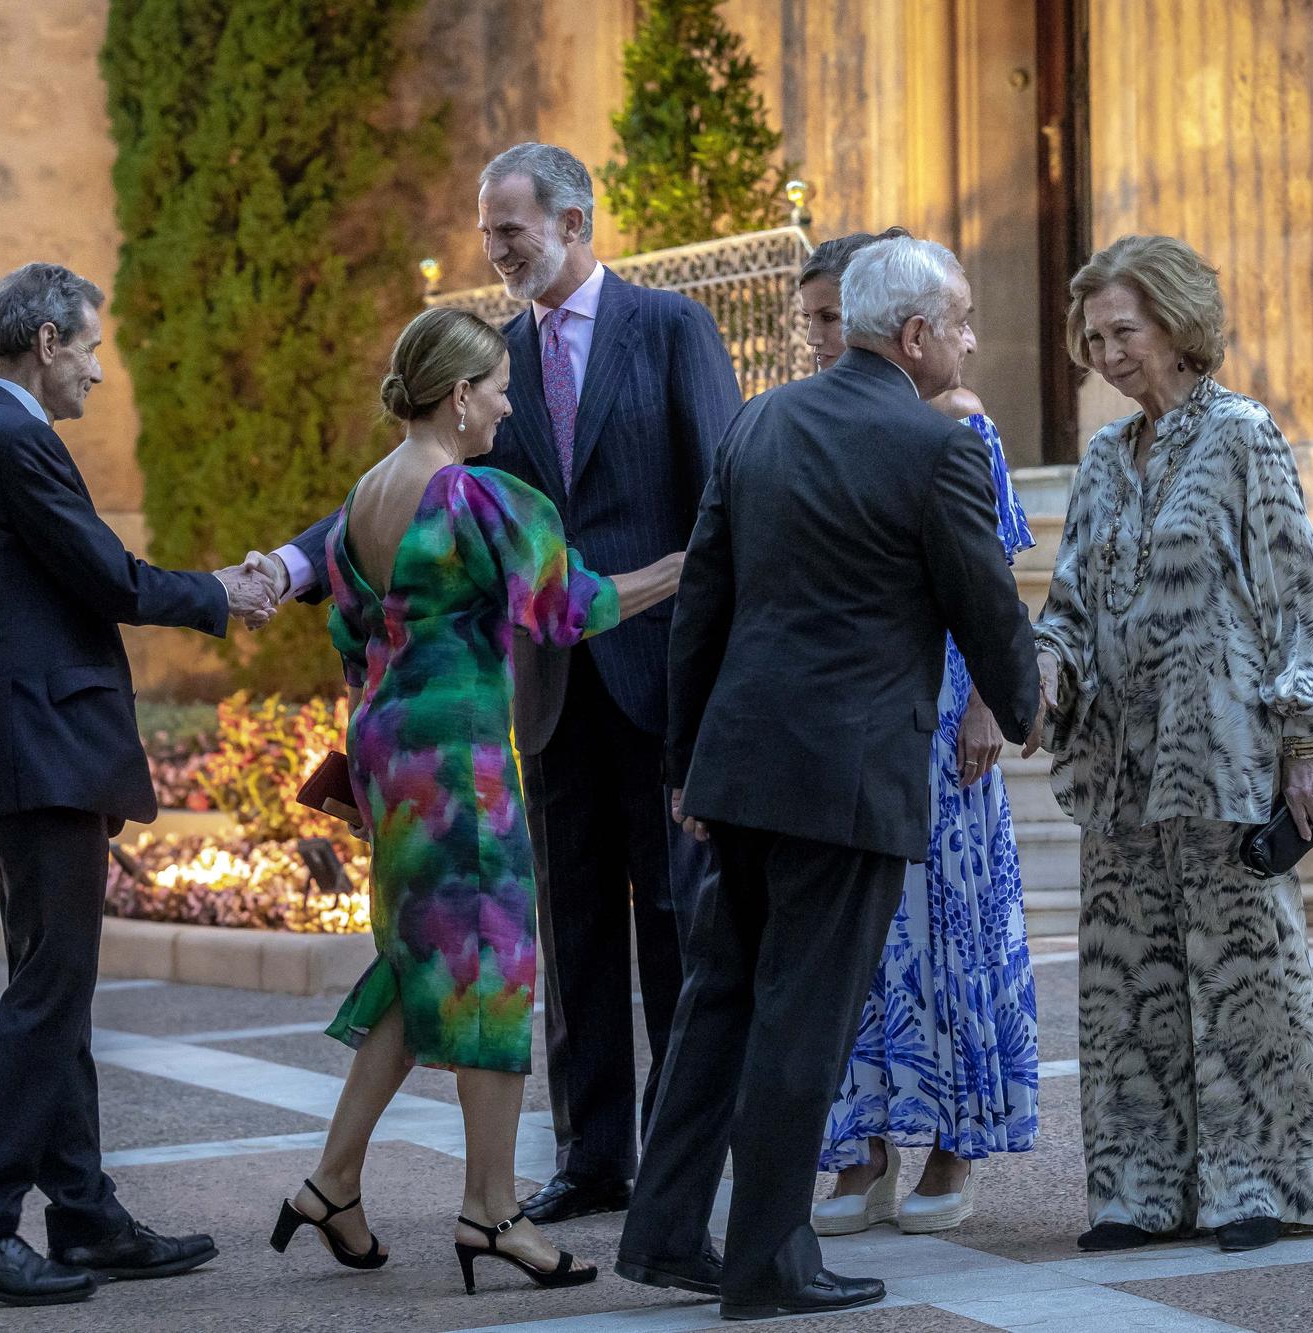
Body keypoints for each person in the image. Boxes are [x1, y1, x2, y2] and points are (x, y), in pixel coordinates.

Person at [263, 143, 742, 1225]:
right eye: (486, 229)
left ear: (574, 218)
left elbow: (723, 494)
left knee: (675, 925)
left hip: (661, 678)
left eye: (510, 227)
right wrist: (290, 564)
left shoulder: (668, 330)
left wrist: (719, 648)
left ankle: (680, 1153)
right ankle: (590, 1158)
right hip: (544, 690)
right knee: (568, 937)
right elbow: (403, 500)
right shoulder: (487, 368)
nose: (494, 247)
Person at [615, 236, 1047, 1321]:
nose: (966, 340)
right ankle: (768, 1260)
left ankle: (664, 1232)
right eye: (955, 320)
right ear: (912, 336)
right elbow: (982, 604)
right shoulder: (931, 444)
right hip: (849, 783)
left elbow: (702, 598)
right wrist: (1031, 706)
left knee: (717, 1003)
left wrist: (685, 762)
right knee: (803, 1021)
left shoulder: (760, 420)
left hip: (742, 768)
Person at [0, 263, 273, 1307]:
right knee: (47, 997)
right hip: (41, 761)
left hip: (13, 758)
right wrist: (223, 592)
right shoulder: (14, 441)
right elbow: (105, 576)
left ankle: (83, 1216)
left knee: (51, 991)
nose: (99, 373)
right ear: (43, 342)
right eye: (89, 349)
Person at [1035, 234, 1313, 1255]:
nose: (1105, 353)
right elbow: (1068, 606)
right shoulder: (1100, 459)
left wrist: (1308, 737)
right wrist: (1043, 673)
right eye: (1090, 337)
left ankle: (1263, 1183)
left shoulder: (1240, 437)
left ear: (1177, 325)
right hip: (1120, 767)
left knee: (1245, 978)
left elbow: (1297, 588)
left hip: (1224, 754)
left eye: (1122, 332)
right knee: (1122, 983)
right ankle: (1139, 1189)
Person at [793, 233, 1040, 1238]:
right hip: (851, 715)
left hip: (944, 717)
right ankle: (860, 1150)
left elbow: (995, 586)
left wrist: (987, 700)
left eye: (824, 317)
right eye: (807, 319)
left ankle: (951, 1141)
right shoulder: (813, 423)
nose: (814, 337)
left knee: (949, 936)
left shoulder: (960, 427)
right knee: (862, 938)